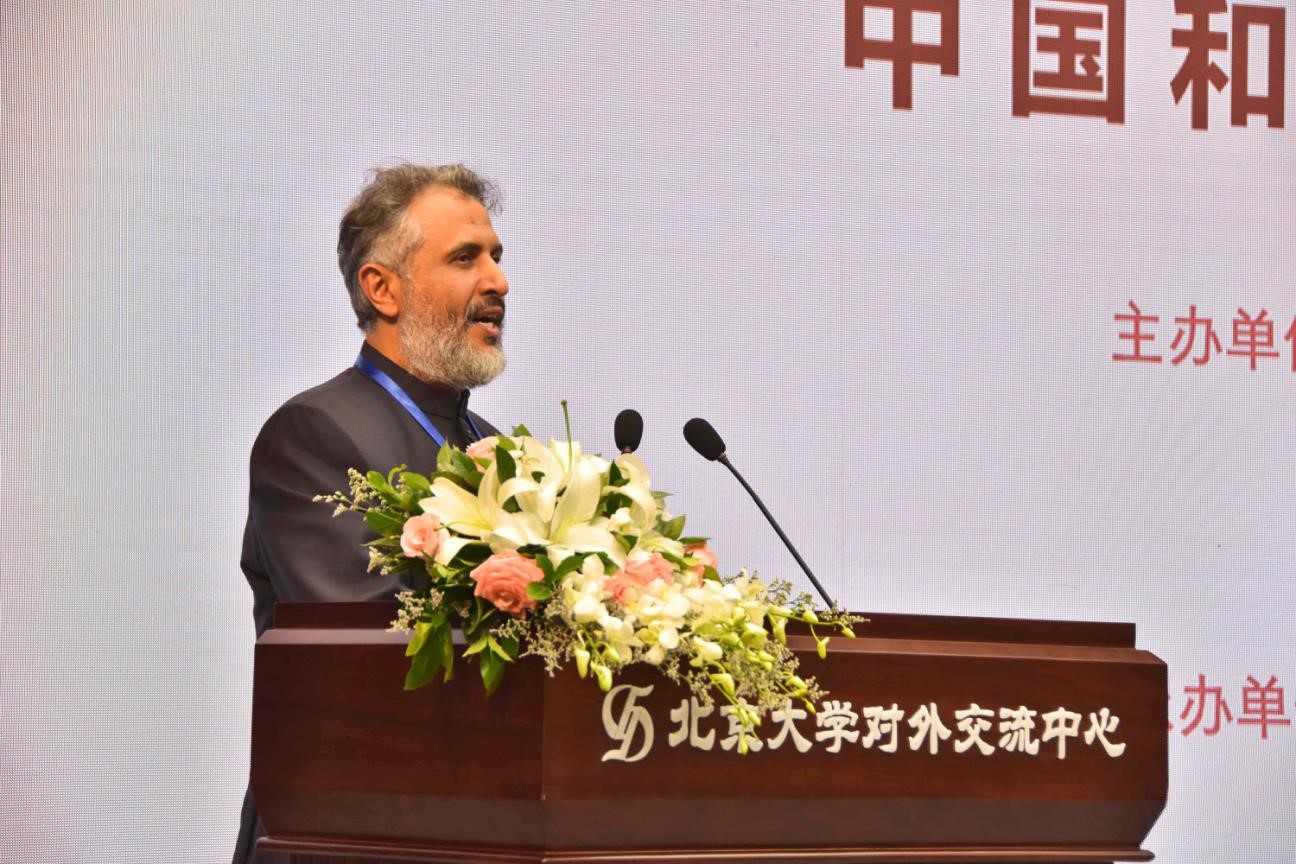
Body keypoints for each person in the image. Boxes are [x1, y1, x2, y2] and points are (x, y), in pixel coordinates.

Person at [232, 163, 510, 864]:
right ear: (383, 288)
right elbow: (370, 656)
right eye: (465, 258)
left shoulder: (495, 449)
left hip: (480, 826)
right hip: (347, 832)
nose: (498, 282)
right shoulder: (315, 435)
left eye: (496, 256)